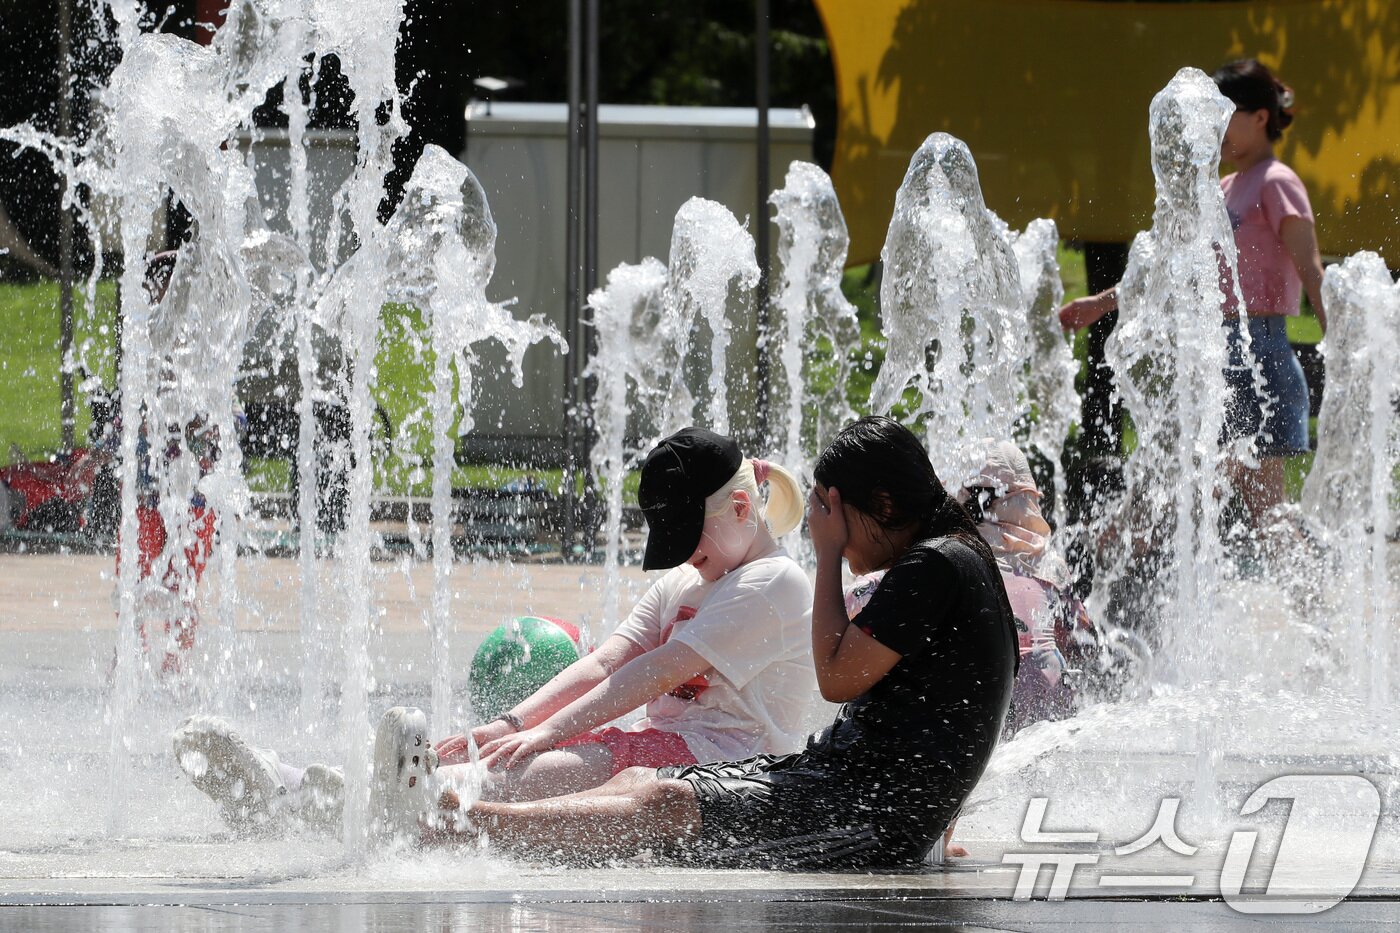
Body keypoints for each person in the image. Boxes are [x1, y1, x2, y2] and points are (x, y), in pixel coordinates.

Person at [412, 416, 1018, 870]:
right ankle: (453, 805)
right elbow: (954, 703)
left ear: (882, 504)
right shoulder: (954, 562)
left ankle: (466, 822)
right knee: (642, 786)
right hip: (850, 789)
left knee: (664, 802)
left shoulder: (935, 566)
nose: (821, 528)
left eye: (832, 513)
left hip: (860, 815)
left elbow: (837, 679)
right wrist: (939, 815)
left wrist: (829, 554)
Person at [173, 426, 815, 828]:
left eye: (687, 536)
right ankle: (295, 793)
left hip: (727, 769)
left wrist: (547, 733)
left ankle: (311, 801)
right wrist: (514, 723)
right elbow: (607, 660)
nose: (680, 555)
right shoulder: (689, 580)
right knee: (527, 761)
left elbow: (657, 673)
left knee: (544, 767)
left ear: (741, 505)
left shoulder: (775, 585)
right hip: (661, 750)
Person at [1059, 59, 1325, 525]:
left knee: (1224, 502)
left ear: (1260, 117)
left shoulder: (1277, 183)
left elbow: (1312, 268)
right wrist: (1101, 303)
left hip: (1258, 358)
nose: (1215, 128)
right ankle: (1307, 589)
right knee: (1230, 507)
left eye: (1226, 114)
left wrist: (1339, 345)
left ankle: (1315, 592)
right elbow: (1167, 266)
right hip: (1218, 356)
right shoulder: (1224, 188)